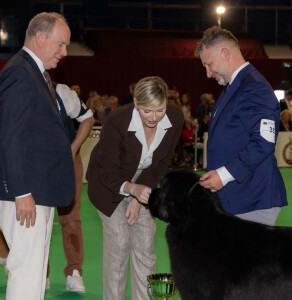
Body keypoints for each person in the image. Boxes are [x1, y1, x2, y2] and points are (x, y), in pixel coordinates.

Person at [0, 12, 75, 299]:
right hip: (26, 193)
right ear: (40, 38)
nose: (64, 53)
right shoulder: (20, 73)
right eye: (61, 45)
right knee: (26, 269)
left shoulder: (33, 73)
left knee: (35, 269)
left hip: (37, 190)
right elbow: (10, 137)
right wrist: (21, 192)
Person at [86, 76, 184, 300]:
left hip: (144, 183)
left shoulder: (175, 117)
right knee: (119, 244)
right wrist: (131, 189)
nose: (154, 117)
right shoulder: (117, 120)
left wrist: (140, 200)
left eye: (160, 110)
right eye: (147, 111)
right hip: (107, 183)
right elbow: (107, 171)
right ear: (136, 102)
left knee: (146, 246)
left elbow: (161, 162)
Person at [195, 26, 287, 226]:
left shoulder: (253, 87)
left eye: (209, 64)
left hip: (252, 201)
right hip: (236, 199)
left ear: (225, 53)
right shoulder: (234, 86)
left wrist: (223, 175)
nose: (208, 73)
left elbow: (263, 143)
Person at [46, 83, 94, 293]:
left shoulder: (61, 91)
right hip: (35, 163)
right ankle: (40, 273)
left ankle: (74, 272)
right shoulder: (22, 86)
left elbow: (88, 118)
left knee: (71, 218)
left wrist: (73, 149)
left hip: (67, 161)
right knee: (36, 220)